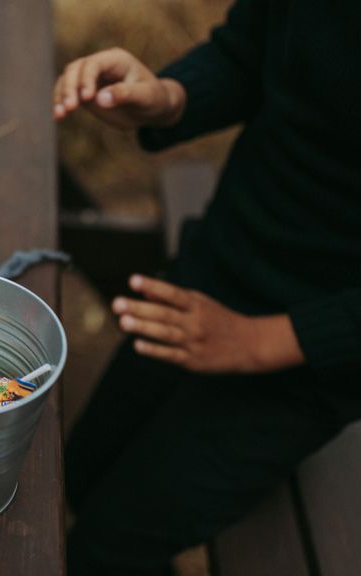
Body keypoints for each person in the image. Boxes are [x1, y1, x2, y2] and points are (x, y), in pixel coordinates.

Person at [53, 1, 361, 574]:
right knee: (79, 472)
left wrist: (264, 341)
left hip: (318, 357)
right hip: (222, 264)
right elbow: (247, 53)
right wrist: (169, 97)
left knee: (106, 549)